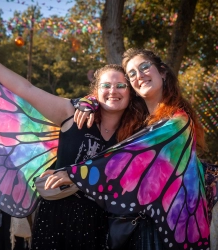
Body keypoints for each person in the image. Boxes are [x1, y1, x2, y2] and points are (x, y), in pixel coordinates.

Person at [0, 37, 146, 250]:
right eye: (106, 85)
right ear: (95, 91)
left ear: (130, 92)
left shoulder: (136, 133)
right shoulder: (70, 112)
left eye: (121, 86)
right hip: (55, 218)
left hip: (101, 225)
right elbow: (27, 89)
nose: (113, 91)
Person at [46, 48, 209, 250]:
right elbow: (111, 93)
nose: (139, 76)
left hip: (163, 231)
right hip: (135, 229)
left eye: (144, 67)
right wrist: (90, 101)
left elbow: (130, 156)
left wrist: (76, 173)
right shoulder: (141, 122)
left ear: (163, 72)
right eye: (132, 74)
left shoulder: (177, 122)